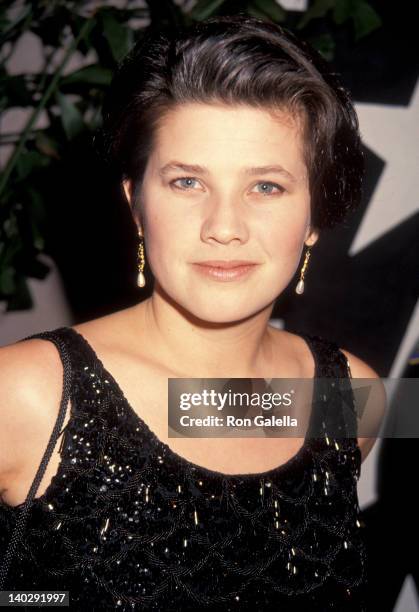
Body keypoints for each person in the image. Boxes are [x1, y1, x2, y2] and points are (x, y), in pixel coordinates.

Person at [0, 14, 384, 611]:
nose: (224, 228)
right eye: (186, 182)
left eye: (266, 187)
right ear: (136, 202)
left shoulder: (354, 396)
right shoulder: (25, 393)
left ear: (313, 218)